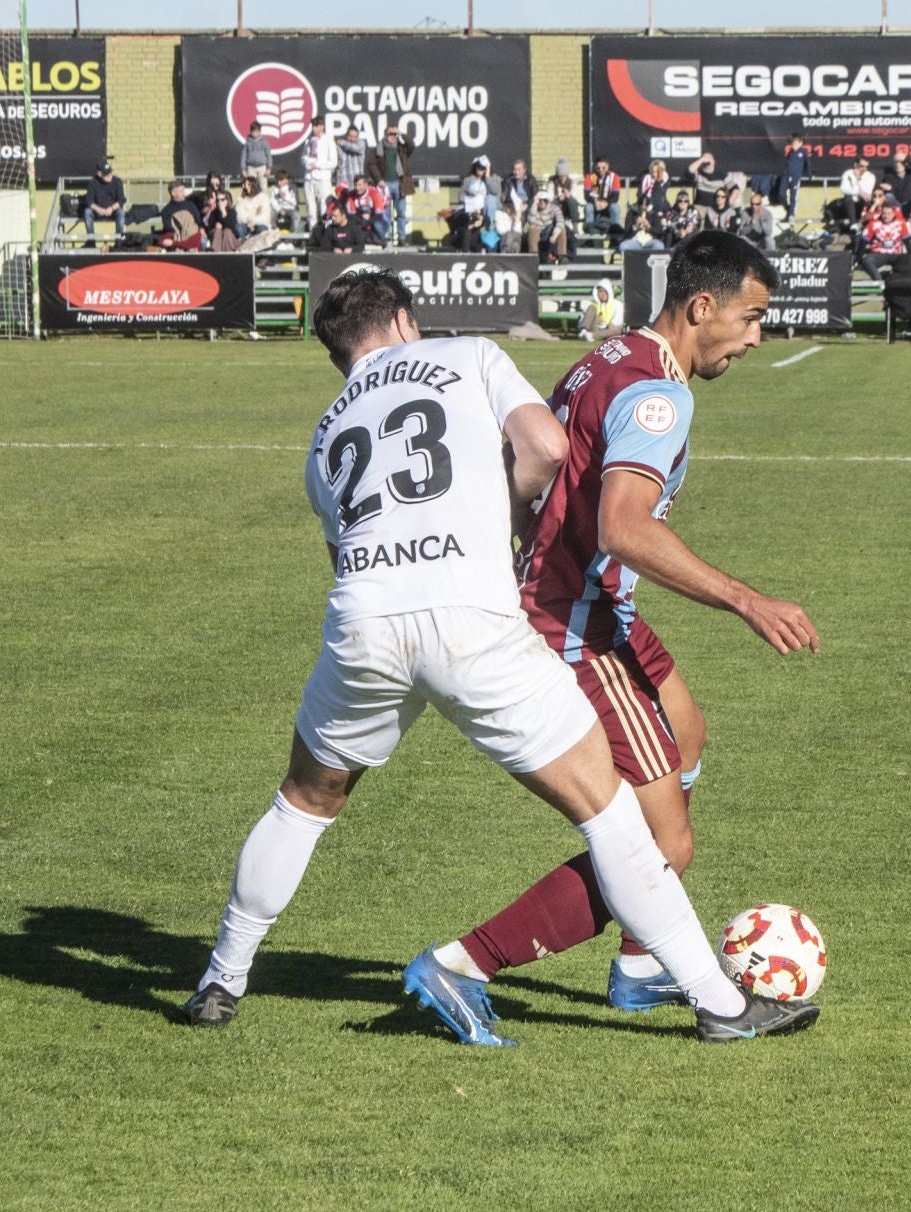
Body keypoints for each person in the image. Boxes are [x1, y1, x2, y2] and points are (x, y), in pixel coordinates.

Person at [182, 267, 816, 1048]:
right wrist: (499, 512)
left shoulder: (324, 433)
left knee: (303, 803)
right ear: (406, 320)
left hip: (366, 618)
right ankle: (720, 1003)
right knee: (613, 814)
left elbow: (341, 549)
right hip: (476, 617)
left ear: (340, 353)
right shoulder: (468, 355)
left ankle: (221, 978)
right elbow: (545, 447)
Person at [422, 231, 821, 1022]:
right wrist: (748, 600)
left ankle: (642, 964)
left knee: (688, 731)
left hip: (590, 603)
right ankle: (463, 964)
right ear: (702, 307)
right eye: (750, 318)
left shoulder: (610, 356)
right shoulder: (658, 395)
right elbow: (624, 528)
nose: (756, 338)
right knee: (663, 847)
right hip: (577, 624)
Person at [366, 124, 415, 243]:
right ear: (385, 135)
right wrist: (379, 179)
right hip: (384, 185)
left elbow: (411, 145)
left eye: (395, 134)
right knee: (385, 214)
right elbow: (371, 164)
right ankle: (386, 237)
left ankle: (402, 238)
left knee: (401, 213)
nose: (393, 137)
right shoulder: (377, 149)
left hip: (400, 184)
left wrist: (401, 132)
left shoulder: (402, 149)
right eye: (390, 134)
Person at [859, 199, 911, 278]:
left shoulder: (901, 223)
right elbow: (863, 242)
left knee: (907, 259)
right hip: (878, 254)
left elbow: (907, 243)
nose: (886, 216)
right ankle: (879, 282)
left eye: (889, 213)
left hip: (895, 254)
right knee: (867, 260)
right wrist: (859, 257)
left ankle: (897, 282)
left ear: (894, 214)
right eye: (884, 213)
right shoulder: (874, 223)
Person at [302, 124, 340, 232]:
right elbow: (303, 157)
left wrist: (317, 165)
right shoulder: (308, 141)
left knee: (324, 205)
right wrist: (307, 163)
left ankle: (326, 231)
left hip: (323, 177)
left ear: (322, 127)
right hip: (309, 177)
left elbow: (333, 162)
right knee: (310, 207)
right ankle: (312, 232)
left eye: (316, 126)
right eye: (312, 126)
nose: (313, 129)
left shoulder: (328, 141)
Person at [83, 160, 125, 245]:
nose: (109, 175)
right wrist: (98, 209)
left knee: (121, 213)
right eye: (106, 174)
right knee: (87, 212)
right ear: (99, 174)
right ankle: (91, 241)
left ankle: (119, 240)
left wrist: (111, 208)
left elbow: (121, 200)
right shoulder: (93, 183)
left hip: (113, 211)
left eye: (110, 172)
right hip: (98, 211)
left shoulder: (117, 181)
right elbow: (89, 200)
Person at [157, 180, 203, 252]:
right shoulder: (166, 211)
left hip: (192, 235)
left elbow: (198, 222)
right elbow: (169, 229)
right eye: (181, 191)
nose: (184, 193)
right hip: (176, 236)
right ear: (173, 193)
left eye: (184, 191)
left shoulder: (191, 206)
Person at [583, 157, 622, 240]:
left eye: (603, 168)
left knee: (615, 208)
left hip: (608, 203)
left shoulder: (614, 177)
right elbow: (587, 196)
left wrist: (606, 203)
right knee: (588, 207)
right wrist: (595, 202)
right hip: (595, 203)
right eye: (598, 168)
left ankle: (615, 237)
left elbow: (615, 197)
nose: (600, 170)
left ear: (608, 166)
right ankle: (589, 235)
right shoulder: (590, 177)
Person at [526, 192, 571, 263]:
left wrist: (554, 235)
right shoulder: (533, 208)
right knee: (532, 228)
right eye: (540, 200)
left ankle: (562, 256)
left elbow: (561, 221)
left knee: (562, 228)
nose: (542, 202)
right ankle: (533, 257)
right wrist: (534, 204)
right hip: (538, 232)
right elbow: (531, 221)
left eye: (545, 200)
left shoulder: (554, 208)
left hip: (550, 232)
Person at [343, 175, 390, 244]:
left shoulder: (374, 192)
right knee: (350, 223)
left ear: (366, 185)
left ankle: (383, 239)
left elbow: (379, 215)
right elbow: (352, 215)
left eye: (360, 185)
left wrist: (367, 223)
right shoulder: (351, 195)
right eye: (355, 185)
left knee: (376, 224)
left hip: (378, 220)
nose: (357, 188)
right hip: (362, 221)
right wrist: (361, 222)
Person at [578, 279, 623, 343]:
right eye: (601, 292)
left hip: (608, 330)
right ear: (596, 293)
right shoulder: (591, 304)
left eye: (605, 292)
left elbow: (615, 324)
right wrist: (596, 318)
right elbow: (582, 320)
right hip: (595, 328)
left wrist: (605, 323)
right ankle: (584, 332)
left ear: (609, 292)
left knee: (618, 330)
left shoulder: (617, 304)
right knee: (591, 308)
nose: (603, 294)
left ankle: (590, 336)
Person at [780, 134, 812, 218]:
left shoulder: (803, 152)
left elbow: (807, 163)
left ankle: (791, 214)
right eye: (792, 144)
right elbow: (787, 162)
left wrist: (809, 174)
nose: (793, 146)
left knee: (793, 196)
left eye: (795, 144)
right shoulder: (790, 152)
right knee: (781, 194)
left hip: (796, 177)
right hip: (786, 176)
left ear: (800, 143)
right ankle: (787, 207)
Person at [233, 175, 273, 240]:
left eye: (248, 185)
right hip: (246, 224)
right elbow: (239, 216)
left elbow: (265, 216)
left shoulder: (263, 198)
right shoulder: (241, 199)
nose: (246, 187)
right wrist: (249, 220)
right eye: (244, 185)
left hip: (260, 224)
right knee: (238, 228)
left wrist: (254, 221)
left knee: (261, 229)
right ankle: (244, 245)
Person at [239, 120, 272, 190]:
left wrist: (269, 168)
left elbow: (268, 155)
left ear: (260, 132)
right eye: (253, 131)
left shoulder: (264, 142)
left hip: (262, 167)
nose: (255, 133)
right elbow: (243, 156)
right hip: (251, 167)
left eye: (257, 131)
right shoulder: (247, 143)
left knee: (263, 187)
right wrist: (243, 169)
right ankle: (251, 200)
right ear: (250, 131)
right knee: (250, 186)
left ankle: (263, 200)